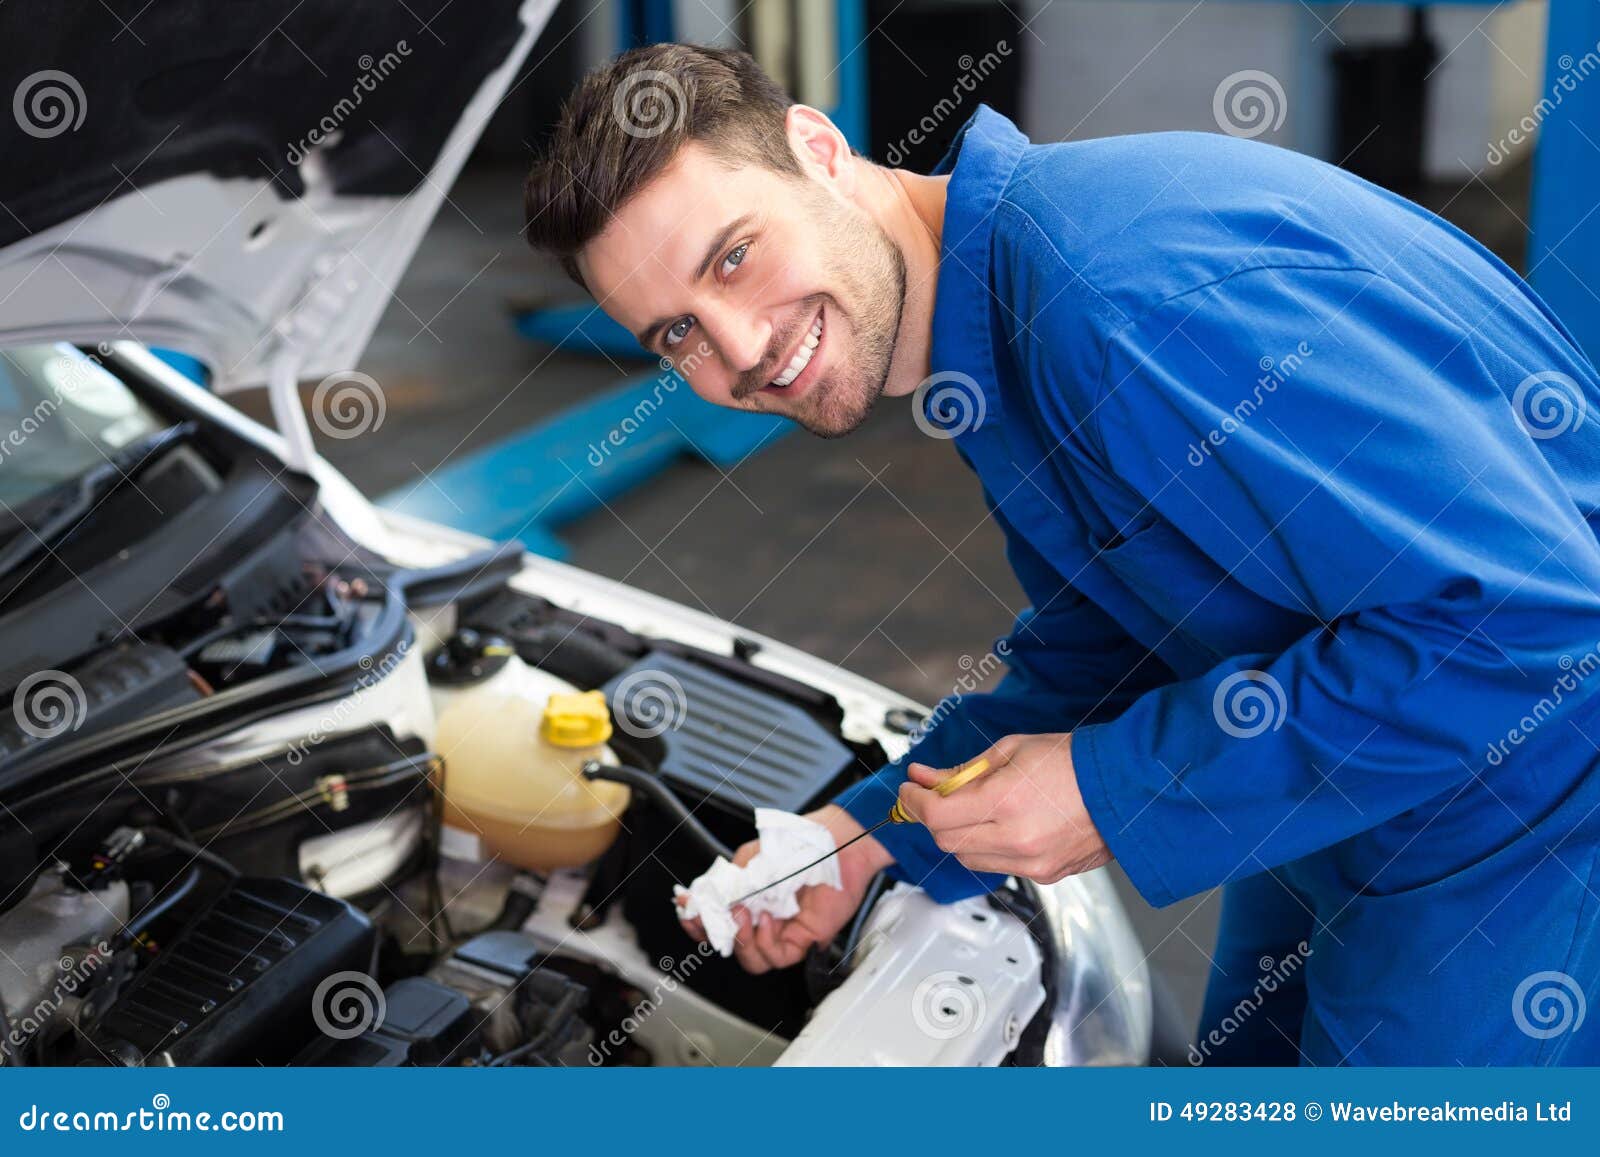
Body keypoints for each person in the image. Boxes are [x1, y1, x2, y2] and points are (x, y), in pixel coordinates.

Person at [523, 43, 1600, 1064]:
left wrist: (1116, 787)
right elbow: (1118, 626)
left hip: (1522, 811)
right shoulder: (1001, 312)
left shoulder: (1116, 302)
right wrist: (866, 836)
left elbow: (1537, 621)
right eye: (674, 333)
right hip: (1341, 756)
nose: (740, 348)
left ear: (817, 147)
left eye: (737, 256)